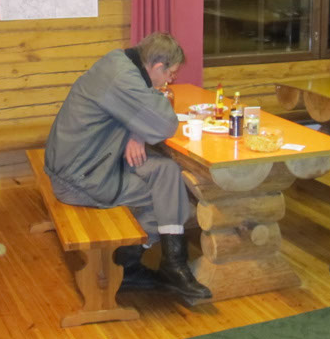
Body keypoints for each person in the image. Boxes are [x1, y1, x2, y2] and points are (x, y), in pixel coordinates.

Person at [44, 32, 211, 300]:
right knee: (168, 199)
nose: (170, 81)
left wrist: (137, 132)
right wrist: (143, 123)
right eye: (171, 74)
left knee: (167, 171)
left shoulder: (118, 60)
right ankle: (126, 265)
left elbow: (132, 109)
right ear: (157, 66)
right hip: (79, 178)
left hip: (93, 158)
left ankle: (172, 263)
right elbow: (166, 123)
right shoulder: (123, 78)